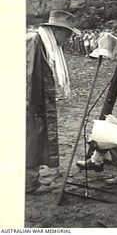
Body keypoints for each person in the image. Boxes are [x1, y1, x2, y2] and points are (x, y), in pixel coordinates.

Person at [26, 10, 80, 194]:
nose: (69, 38)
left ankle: (33, 178)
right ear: (57, 31)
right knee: (30, 139)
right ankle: (29, 184)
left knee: (36, 138)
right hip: (29, 102)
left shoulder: (46, 45)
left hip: (37, 101)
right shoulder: (35, 42)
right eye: (68, 33)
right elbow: (28, 75)